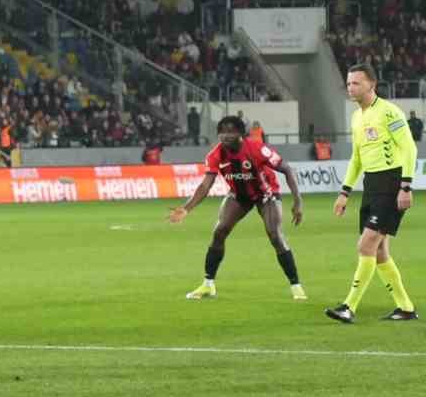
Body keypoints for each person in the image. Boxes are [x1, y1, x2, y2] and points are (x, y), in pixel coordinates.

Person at [167, 115, 306, 301]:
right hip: (238, 196)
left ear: (241, 134)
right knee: (219, 231)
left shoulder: (257, 149)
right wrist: (186, 208)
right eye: (222, 132)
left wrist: (298, 201)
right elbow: (205, 186)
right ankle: (208, 285)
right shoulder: (215, 155)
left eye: (230, 131)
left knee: (275, 235)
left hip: (266, 195)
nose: (225, 136)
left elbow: (287, 169)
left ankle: (296, 285)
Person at [326, 63, 418, 323]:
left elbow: (409, 148)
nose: (350, 87)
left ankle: (348, 307)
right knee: (379, 252)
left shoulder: (389, 112)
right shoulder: (357, 117)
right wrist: (345, 192)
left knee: (366, 244)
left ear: (371, 84)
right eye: (348, 83)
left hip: (392, 183)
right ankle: (406, 307)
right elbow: (356, 158)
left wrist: (406, 186)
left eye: (356, 83)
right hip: (371, 185)